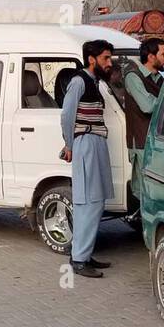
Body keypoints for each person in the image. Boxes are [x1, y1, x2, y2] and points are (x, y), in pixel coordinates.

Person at [61, 39, 115, 278]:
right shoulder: (78, 82)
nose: (109, 62)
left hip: (96, 142)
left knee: (97, 200)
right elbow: (66, 115)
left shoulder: (95, 82)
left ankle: (83, 252)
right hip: (85, 143)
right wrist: (69, 144)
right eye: (105, 58)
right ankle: (79, 259)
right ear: (92, 59)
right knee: (87, 202)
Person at [124, 37, 164, 190]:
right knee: (146, 192)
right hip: (142, 143)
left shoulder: (159, 79)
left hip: (157, 142)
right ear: (151, 57)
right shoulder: (133, 77)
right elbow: (148, 106)